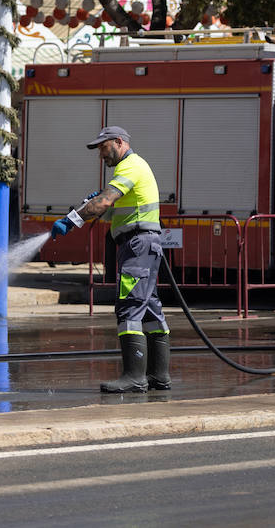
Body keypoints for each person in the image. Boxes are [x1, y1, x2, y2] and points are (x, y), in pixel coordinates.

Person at [47, 125, 169, 393]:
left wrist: (72, 220)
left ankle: (134, 377)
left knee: (129, 307)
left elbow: (104, 203)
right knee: (149, 308)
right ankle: (159, 376)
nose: (101, 154)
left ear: (119, 142)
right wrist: (100, 204)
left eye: (103, 147)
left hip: (138, 245)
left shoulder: (130, 167)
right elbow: (113, 208)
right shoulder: (130, 168)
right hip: (141, 244)